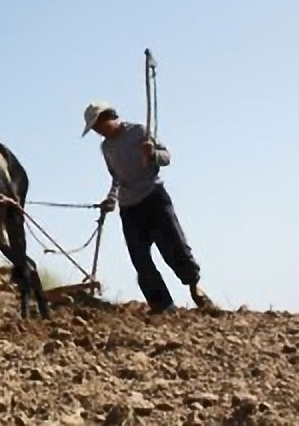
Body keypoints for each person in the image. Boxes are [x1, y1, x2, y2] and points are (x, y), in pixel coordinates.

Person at [81, 100, 215, 314]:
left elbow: (166, 157)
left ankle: (194, 286)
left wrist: (152, 154)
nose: (99, 132)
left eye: (99, 126)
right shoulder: (106, 148)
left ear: (109, 117)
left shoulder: (139, 131)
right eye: (95, 129)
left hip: (154, 198)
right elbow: (116, 177)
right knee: (140, 259)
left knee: (175, 247)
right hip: (129, 208)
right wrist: (111, 198)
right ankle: (164, 307)